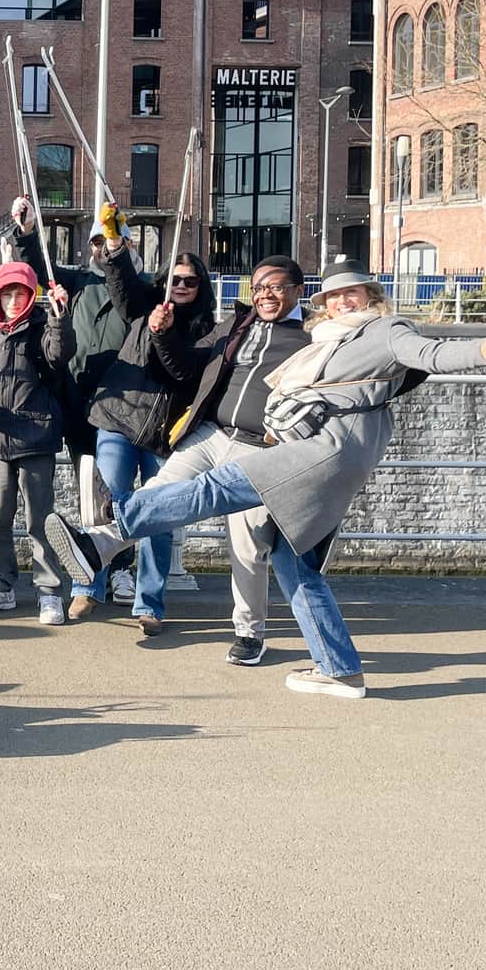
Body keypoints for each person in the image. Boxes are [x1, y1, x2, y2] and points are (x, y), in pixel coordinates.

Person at [47, 257, 486, 699]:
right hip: (317, 453)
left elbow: (429, 354)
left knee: (219, 489)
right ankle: (340, 668)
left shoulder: (385, 330)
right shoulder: (331, 337)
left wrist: (484, 348)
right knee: (294, 562)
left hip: (321, 452)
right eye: (334, 296)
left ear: (372, 296)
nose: (342, 302)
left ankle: (102, 543)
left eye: (352, 294)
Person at [126, 254, 313, 665]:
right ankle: (94, 547)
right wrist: (164, 334)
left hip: (259, 450)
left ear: (299, 290)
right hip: (211, 434)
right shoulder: (238, 324)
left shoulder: (314, 334)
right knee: (156, 495)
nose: (266, 295)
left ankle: (249, 633)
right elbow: (188, 367)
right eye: (259, 286)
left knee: (246, 546)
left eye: (276, 287)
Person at [78, 201, 217, 635]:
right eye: (174, 279)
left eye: (189, 281)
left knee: (157, 514)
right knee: (106, 504)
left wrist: (163, 333)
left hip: (164, 435)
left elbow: (181, 370)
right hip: (119, 419)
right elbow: (120, 286)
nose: (180, 285)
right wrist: (115, 242)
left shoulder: (209, 330)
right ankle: (89, 586)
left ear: (200, 287)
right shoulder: (145, 304)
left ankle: (149, 604)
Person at [11, 197, 139, 611]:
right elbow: (35, 263)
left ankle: (121, 568)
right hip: (82, 407)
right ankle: (94, 576)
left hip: (124, 410)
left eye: (111, 242)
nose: (103, 249)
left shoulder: (137, 289)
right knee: (91, 492)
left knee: (120, 492)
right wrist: (28, 230)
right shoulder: (77, 282)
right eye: (97, 243)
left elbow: (130, 300)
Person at [0, 261, 74, 622]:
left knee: (40, 519)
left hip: (36, 438)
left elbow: (60, 355)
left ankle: (49, 591)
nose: (12, 300)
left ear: (31, 296)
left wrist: (59, 316)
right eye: (6, 293)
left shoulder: (43, 329)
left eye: (19, 293)